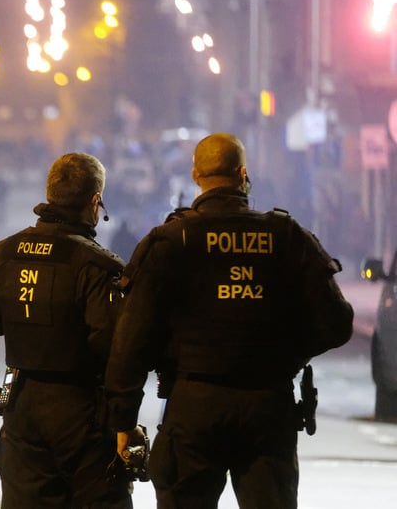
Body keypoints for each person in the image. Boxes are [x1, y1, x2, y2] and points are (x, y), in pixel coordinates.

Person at [105, 132, 354, 509]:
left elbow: (131, 341)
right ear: (242, 174)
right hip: (268, 405)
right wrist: (287, 355)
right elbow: (337, 324)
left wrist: (123, 420)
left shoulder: (171, 241)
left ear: (195, 175)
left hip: (193, 405)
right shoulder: (286, 236)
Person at [0, 152, 133, 508]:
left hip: (21, 407)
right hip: (81, 411)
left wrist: (22, 318)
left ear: (50, 193)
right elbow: (111, 342)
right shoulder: (95, 264)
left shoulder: (7, 252)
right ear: (94, 202)